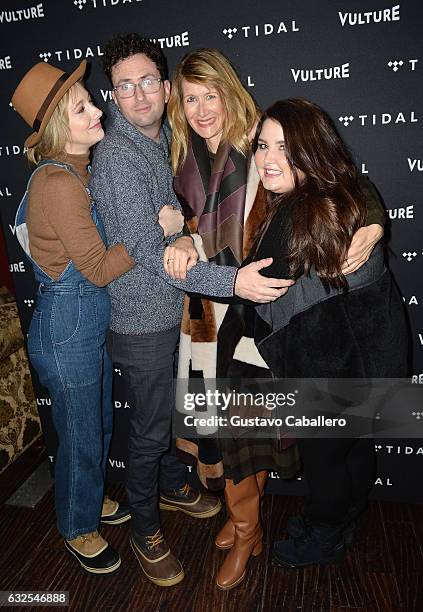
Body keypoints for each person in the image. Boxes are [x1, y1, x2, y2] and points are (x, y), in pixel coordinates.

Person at [166, 48, 387, 590]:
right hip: (218, 321)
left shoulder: (256, 151)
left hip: (262, 326)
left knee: (248, 432)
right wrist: (176, 231)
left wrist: (375, 222)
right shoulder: (190, 162)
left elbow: (338, 180)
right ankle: (246, 521)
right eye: (190, 97)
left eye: (210, 93)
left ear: (231, 92)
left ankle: (255, 530)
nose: (200, 108)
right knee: (232, 434)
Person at [89, 33, 290, 588]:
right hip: (169, 316)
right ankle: (149, 531)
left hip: (238, 314)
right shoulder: (120, 158)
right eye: (124, 87)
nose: (138, 95)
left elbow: (320, 179)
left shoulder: (217, 144)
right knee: (173, 432)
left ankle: (242, 524)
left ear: (163, 89)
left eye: (148, 82)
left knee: (246, 426)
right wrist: (205, 260)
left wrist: (183, 231)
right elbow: (157, 253)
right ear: (113, 94)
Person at [247, 98, 408, 569]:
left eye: (286, 149)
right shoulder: (349, 196)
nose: (269, 159)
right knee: (353, 447)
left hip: (330, 370)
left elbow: (252, 288)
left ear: (312, 152)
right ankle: (347, 517)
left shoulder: (296, 219)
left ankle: (326, 532)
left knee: (325, 462)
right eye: (263, 145)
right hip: (370, 363)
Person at [11, 59, 137, 574]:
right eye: (82, 106)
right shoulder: (59, 184)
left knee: (96, 424)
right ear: (61, 126)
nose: (97, 108)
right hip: (68, 328)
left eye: (90, 100)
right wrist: (155, 234)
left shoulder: (73, 173)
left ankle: (84, 499)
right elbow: (101, 269)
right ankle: (76, 526)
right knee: (83, 434)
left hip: (78, 324)